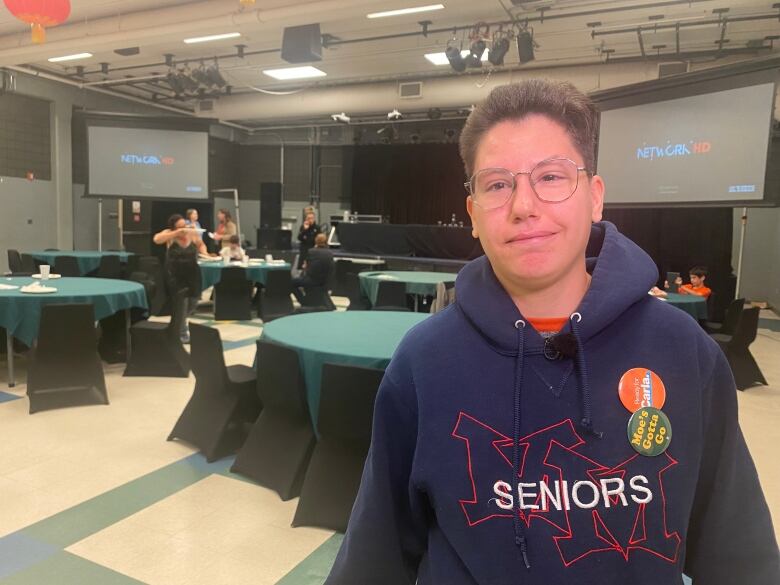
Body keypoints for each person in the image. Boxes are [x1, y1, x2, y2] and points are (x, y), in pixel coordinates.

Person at [326, 80, 779, 584]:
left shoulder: (684, 351)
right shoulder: (424, 361)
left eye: (551, 176)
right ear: (473, 213)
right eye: (497, 184)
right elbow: (374, 556)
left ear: (595, 197)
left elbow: (739, 555)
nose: (524, 204)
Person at [153, 214, 213, 343]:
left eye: (184, 226)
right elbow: (157, 239)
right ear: (173, 228)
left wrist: (205, 252)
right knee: (181, 303)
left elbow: (201, 244)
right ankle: (181, 334)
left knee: (193, 301)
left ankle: (175, 326)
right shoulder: (170, 234)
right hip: (175, 273)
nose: (184, 229)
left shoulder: (192, 234)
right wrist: (175, 233)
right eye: (180, 227)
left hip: (192, 272)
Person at [291, 233, 333, 305]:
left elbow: (307, 267)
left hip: (312, 281)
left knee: (291, 282)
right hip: (325, 282)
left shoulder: (311, 251)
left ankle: (303, 301)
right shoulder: (330, 253)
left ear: (316, 241)